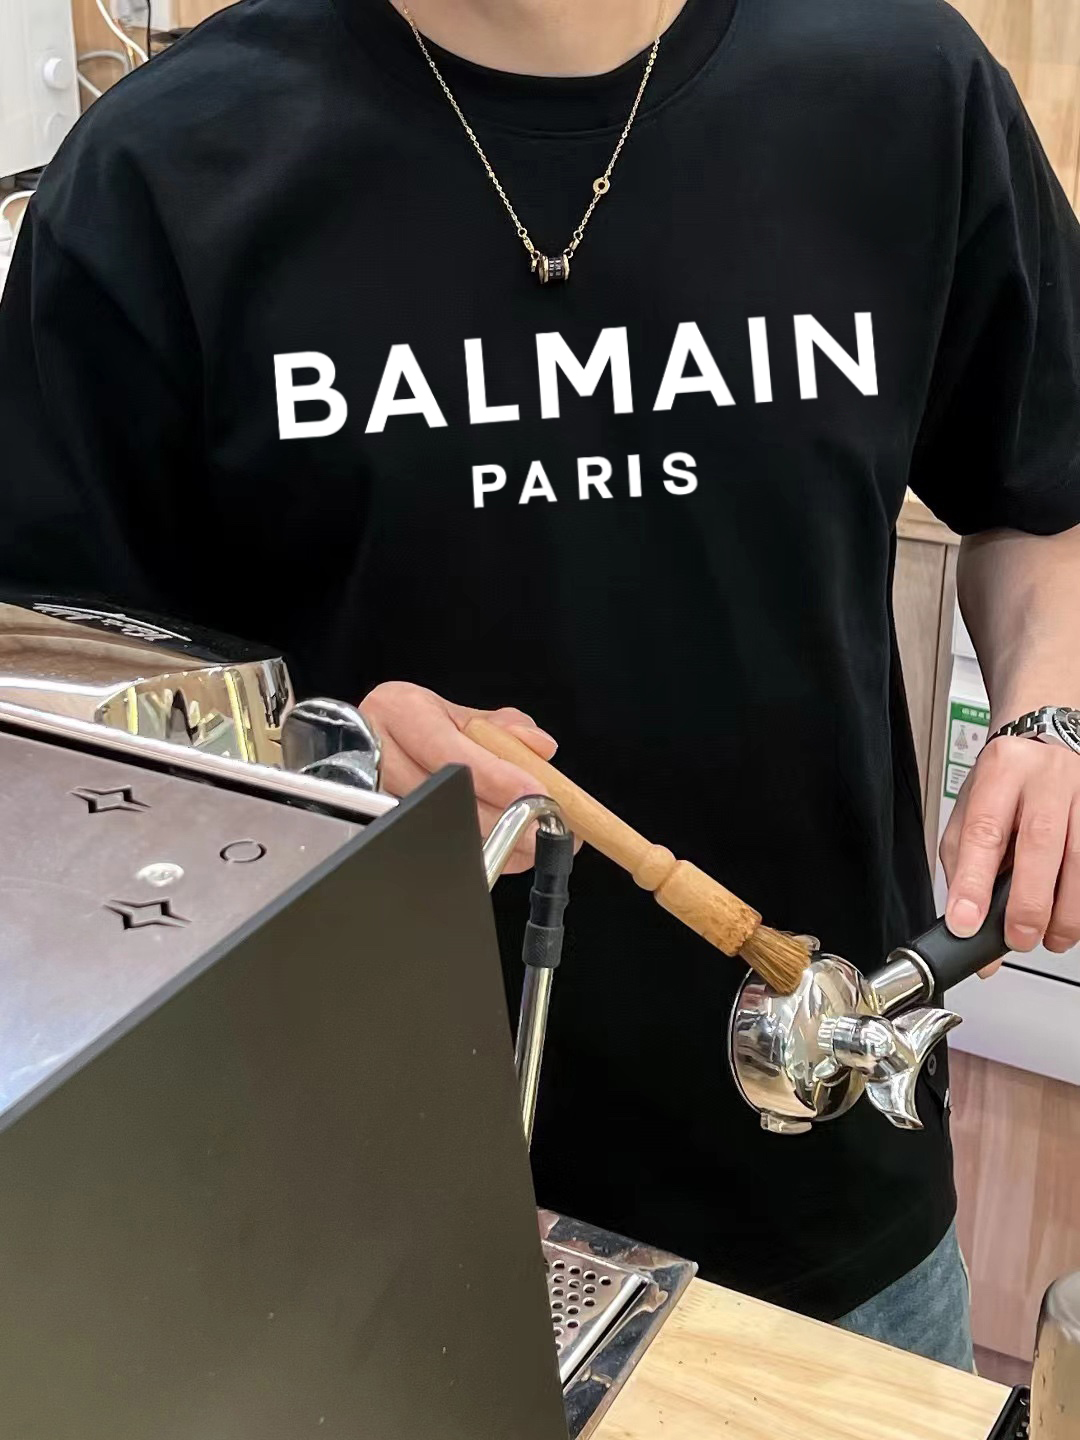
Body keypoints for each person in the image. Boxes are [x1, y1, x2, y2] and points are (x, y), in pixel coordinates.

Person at [1, 0, 1079, 1371]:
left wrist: (1051, 712)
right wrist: (315, 757)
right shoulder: (163, 167)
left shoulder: (904, 88)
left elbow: (1045, 501)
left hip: (828, 1192)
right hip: (336, 1247)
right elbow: (43, 719)